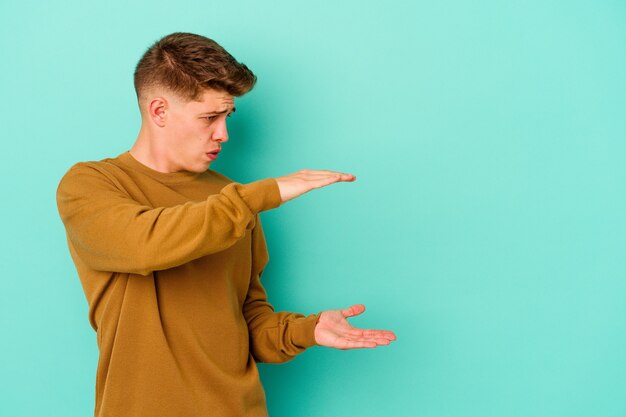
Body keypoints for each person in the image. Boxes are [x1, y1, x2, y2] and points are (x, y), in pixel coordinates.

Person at [56, 32, 396, 417]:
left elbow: (247, 319)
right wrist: (260, 195)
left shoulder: (230, 197)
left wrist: (308, 330)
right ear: (159, 111)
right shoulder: (92, 185)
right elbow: (143, 244)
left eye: (226, 116)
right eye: (209, 117)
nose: (223, 134)